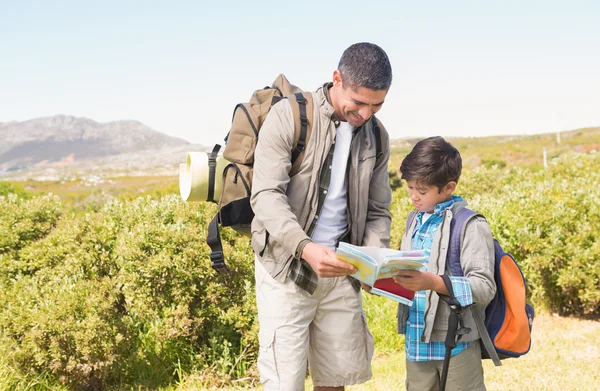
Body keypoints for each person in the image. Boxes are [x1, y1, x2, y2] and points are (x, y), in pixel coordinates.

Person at [250, 42, 393, 390]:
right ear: (337, 79)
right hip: (286, 268)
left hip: (342, 273)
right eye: (359, 102)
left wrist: (373, 262)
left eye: (377, 105)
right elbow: (266, 195)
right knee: (285, 383)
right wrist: (306, 248)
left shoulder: (377, 135)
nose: (366, 114)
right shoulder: (288, 116)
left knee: (335, 380)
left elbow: (378, 210)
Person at [393, 136, 496, 391]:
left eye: (422, 191)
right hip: (416, 344)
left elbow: (484, 287)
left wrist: (434, 283)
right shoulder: (414, 220)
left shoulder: (471, 226)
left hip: (455, 344)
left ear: (448, 187)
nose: (414, 197)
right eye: (410, 188)